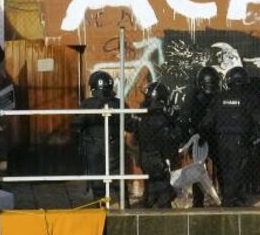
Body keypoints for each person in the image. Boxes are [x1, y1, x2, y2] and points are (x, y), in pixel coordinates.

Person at [199, 66, 260, 207]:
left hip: (221, 141)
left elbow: (208, 121)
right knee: (237, 171)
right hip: (240, 140)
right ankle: (231, 202)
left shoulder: (219, 97)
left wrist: (202, 136)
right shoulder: (249, 98)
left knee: (226, 170)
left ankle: (230, 198)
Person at [76, 70, 128, 198]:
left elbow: (77, 124)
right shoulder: (119, 103)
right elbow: (130, 125)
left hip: (94, 146)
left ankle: (100, 208)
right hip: (114, 145)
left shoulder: (87, 104)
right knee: (118, 177)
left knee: (97, 180)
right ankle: (125, 206)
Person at [136, 82, 184, 208]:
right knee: (164, 193)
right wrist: (175, 121)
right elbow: (173, 137)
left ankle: (149, 207)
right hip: (158, 157)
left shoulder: (141, 114)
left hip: (145, 156)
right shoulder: (161, 116)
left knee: (151, 188)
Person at [180, 66, 220, 207]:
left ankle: (199, 200)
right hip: (211, 135)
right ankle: (214, 197)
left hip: (200, 136)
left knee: (199, 169)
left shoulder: (193, 96)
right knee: (215, 168)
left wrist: (189, 136)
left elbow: (185, 117)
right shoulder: (217, 96)